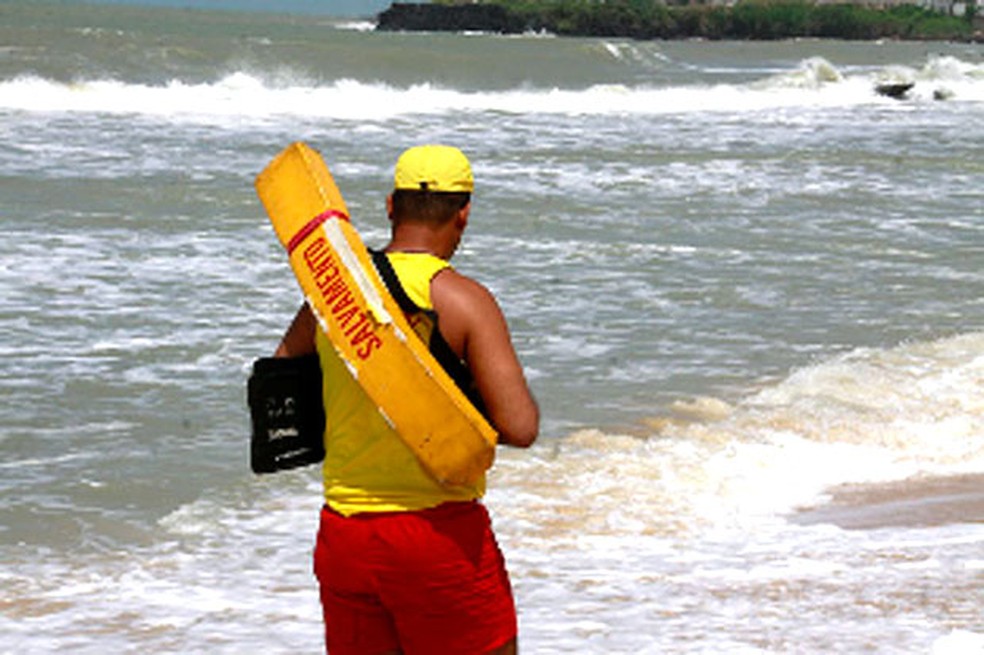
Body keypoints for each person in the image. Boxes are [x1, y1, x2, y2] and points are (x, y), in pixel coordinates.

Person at [274, 144, 539, 654]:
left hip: (346, 535)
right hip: (438, 536)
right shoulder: (464, 301)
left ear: (391, 205)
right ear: (463, 214)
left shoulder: (332, 298)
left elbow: (280, 376)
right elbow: (520, 426)